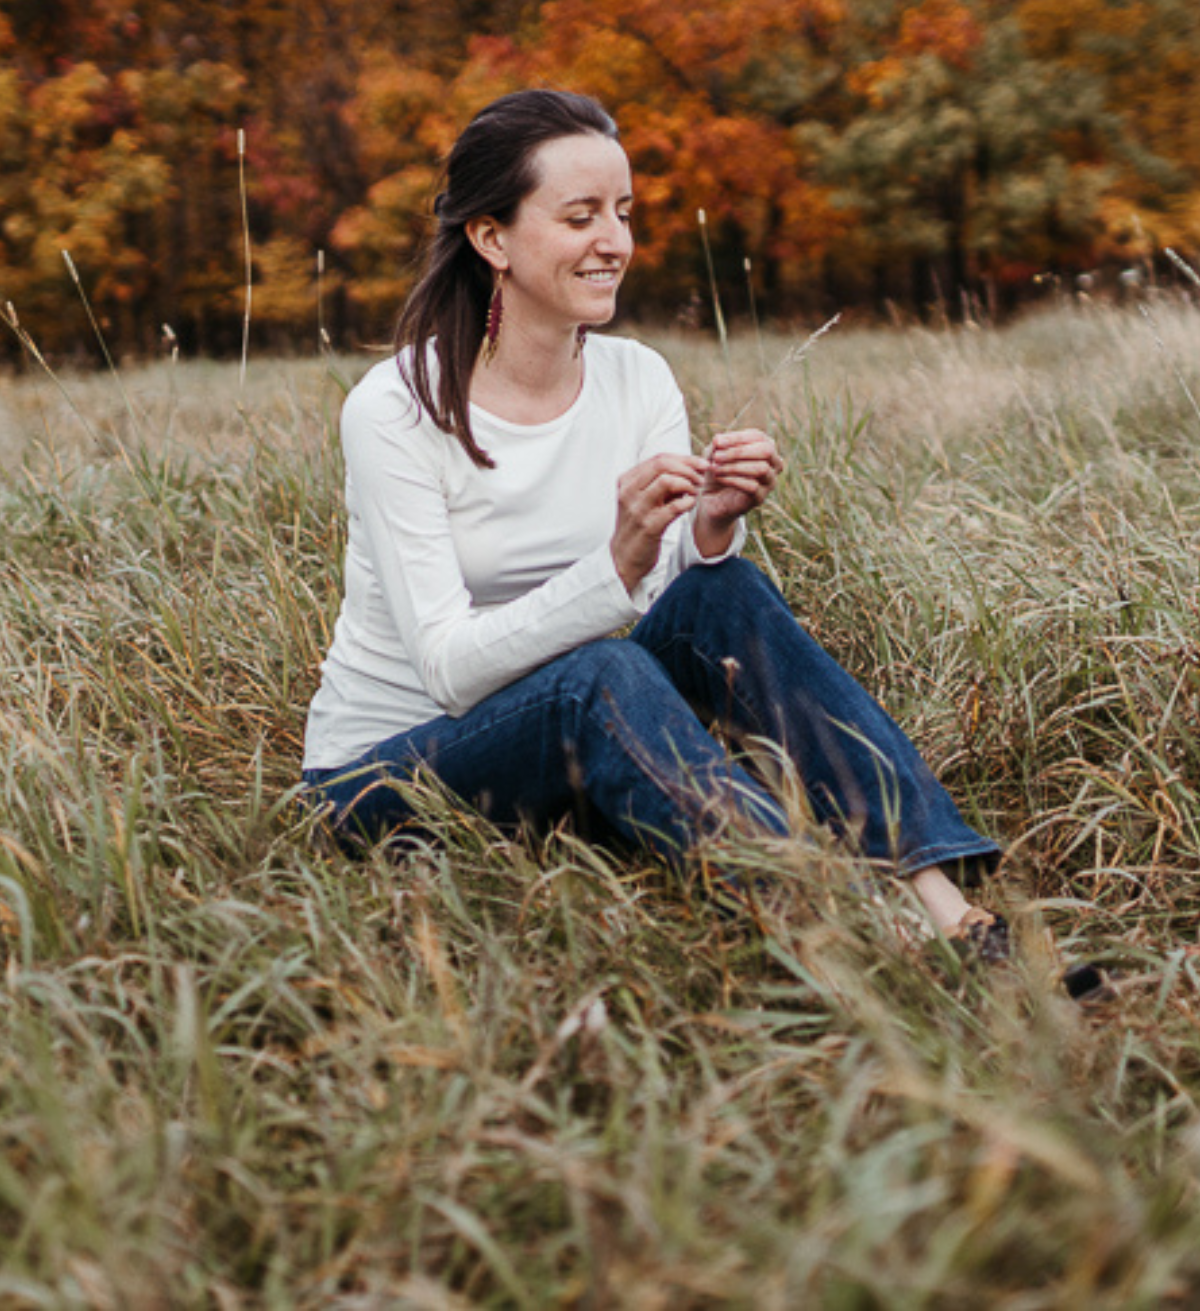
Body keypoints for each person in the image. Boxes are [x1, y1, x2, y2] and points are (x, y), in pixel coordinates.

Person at [302, 87, 1008, 960]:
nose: (615, 243)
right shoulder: (397, 409)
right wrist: (620, 556)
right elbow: (450, 672)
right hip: (390, 778)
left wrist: (704, 528)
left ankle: (940, 902)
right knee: (594, 672)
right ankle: (841, 921)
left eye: (623, 213)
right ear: (492, 238)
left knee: (728, 588)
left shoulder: (637, 378)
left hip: (561, 738)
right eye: (579, 216)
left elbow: (671, 592)